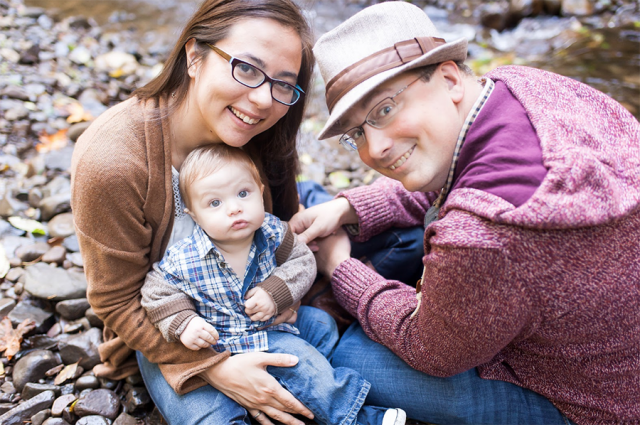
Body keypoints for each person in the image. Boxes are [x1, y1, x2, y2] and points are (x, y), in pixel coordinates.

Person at [289, 2, 640, 425]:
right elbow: (451, 171)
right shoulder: (518, 86)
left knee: (351, 354)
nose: (374, 149)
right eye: (357, 132)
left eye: (384, 109)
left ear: (450, 78)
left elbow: (428, 349)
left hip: (599, 403)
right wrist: (350, 206)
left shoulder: (482, 234)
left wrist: (340, 267)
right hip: (614, 342)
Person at [70, 1, 334, 424]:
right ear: (194, 56)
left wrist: (292, 291)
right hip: (170, 334)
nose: (264, 99)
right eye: (246, 68)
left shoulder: (265, 134)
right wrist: (215, 367)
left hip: (263, 319)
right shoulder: (113, 163)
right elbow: (114, 299)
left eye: (283, 84)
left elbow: (282, 232)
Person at [141, 144, 406, 425]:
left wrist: (275, 291)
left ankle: (357, 417)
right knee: (213, 413)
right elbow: (156, 291)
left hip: (268, 333)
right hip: (214, 345)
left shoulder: (273, 233)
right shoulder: (185, 257)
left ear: (260, 189)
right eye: (215, 203)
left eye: (243, 193)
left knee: (307, 367)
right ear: (194, 215)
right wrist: (184, 323)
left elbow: (303, 261)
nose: (234, 208)